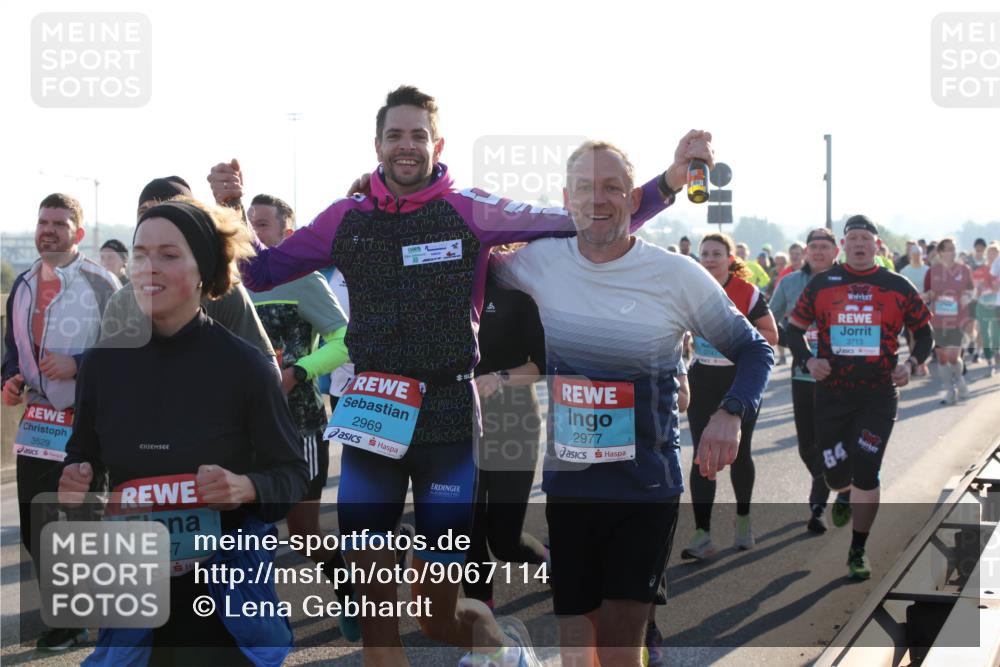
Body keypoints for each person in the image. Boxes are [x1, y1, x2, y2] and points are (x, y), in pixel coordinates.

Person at [220, 85, 703, 665]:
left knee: (438, 614)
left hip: (448, 423)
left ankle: (500, 648)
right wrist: (227, 205)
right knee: (379, 620)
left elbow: (584, 220)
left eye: (418, 135)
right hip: (371, 414)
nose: (406, 146)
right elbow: (262, 270)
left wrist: (670, 182)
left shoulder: (469, 208)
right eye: (395, 135)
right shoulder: (344, 218)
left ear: (437, 143)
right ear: (376, 144)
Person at [489, 141, 772, 666]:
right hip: (571, 489)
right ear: (566, 198)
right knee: (577, 656)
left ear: (630, 197)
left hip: (642, 489)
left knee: (619, 653)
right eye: (586, 189)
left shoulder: (675, 275)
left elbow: (755, 349)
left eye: (613, 188)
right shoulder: (538, 263)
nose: (600, 200)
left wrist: (730, 413)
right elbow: (468, 257)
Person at [58, 197, 309, 665]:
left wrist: (245, 486)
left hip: (224, 598)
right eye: (140, 254)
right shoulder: (101, 364)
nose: (148, 268)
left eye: (169, 255)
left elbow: (291, 473)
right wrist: (77, 480)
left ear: (203, 270)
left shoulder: (245, 366)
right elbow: (83, 459)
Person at [2, 193, 120, 651]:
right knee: (35, 525)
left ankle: (71, 624)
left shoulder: (101, 282)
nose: (47, 229)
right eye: (42, 221)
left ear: (79, 233)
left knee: (76, 523)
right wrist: (10, 380)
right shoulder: (25, 283)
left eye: (59, 222)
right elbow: (14, 352)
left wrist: (78, 364)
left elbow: (125, 353)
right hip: (37, 424)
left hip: (86, 425)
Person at [786, 215, 933, 580]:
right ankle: (843, 491)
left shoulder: (896, 285)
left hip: (878, 395)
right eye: (853, 238)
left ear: (877, 246)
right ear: (844, 246)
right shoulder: (823, 283)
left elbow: (924, 333)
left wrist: (912, 363)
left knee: (867, 472)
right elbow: (794, 329)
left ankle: (858, 549)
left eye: (866, 238)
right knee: (835, 474)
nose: (860, 244)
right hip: (832, 395)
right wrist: (808, 358)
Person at [99, 176, 275, 360]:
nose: (153, 219)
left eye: (167, 209)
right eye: (144, 211)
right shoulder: (121, 302)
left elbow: (265, 368)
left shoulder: (225, 296)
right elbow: (105, 372)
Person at [681, 232, 778, 560]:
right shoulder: (691, 290)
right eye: (704, 253)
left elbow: (771, 335)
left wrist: (734, 338)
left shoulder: (746, 292)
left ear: (730, 258)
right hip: (702, 377)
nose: (709, 259)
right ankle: (702, 533)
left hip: (740, 380)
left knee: (739, 452)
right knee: (701, 454)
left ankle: (743, 520)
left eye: (716, 253)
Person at [463, 247, 547, 613]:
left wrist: (499, 378)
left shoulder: (518, 298)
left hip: (513, 422)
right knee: (468, 531)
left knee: (504, 540)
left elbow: (541, 365)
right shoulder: (443, 295)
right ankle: (484, 617)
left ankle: (547, 556)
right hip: (458, 424)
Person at [770, 228, 841, 533]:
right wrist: (792, 341)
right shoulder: (789, 283)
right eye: (814, 246)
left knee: (829, 441)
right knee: (806, 446)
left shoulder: (848, 282)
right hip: (803, 372)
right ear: (807, 251)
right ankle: (835, 483)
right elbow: (768, 319)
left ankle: (818, 507)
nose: (818, 251)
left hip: (840, 376)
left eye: (825, 246)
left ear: (835, 251)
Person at [924, 237, 974, 404]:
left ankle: (960, 382)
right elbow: (927, 294)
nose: (952, 252)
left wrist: (969, 316)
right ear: (940, 253)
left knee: (953, 356)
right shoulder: (932, 271)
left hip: (957, 319)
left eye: (953, 248)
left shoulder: (964, 269)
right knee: (942, 358)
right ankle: (949, 390)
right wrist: (924, 297)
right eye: (948, 249)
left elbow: (970, 293)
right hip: (938, 319)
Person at [900, 245, 931, 376]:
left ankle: (921, 361)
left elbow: (932, 288)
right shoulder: (904, 271)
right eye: (914, 254)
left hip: (927, 305)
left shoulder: (927, 270)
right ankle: (917, 362)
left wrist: (925, 296)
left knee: (926, 334)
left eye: (918, 254)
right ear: (910, 256)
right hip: (910, 306)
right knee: (912, 336)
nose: (916, 256)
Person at [972, 243, 999, 376]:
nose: (992, 255)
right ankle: (990, 363)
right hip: (982, 306)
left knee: (996, 336)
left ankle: (996, 356)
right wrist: (979, 288)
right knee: (985, 335)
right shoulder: (979, 271)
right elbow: (976, 294)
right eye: (990, 253)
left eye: (995, 253)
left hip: (996, 306)